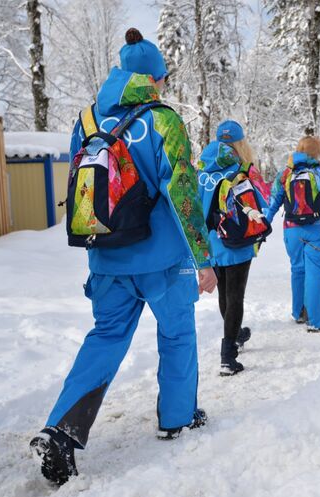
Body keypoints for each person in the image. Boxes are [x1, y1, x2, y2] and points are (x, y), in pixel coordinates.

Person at [29, 28, 217, 486]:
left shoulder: (86, 121)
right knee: (176, 336)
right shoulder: (163, 121)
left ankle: (61, 431)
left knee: (106, 337)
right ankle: (176, 417)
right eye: (164, 79)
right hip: (163, 261)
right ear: (154, 78)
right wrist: (203, 258)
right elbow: (184, 192)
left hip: (107, 259)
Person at [197, 120, 270, 376]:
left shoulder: (201, 170)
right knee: (236, 295)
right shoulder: (242, 169)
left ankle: (236, 334)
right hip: (237, 241)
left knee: (224, 294)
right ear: (240, 143)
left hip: (211, 242)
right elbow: (263, 202)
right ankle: (228, 356)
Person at [265, 137, 320, 332]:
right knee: (315, 272)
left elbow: (272, 203)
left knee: (298, 270)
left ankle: (299, 313)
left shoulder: (285, 174)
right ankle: (315, 321)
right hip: (317, 228)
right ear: (317, 152)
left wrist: (264, 225)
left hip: (291, 229)